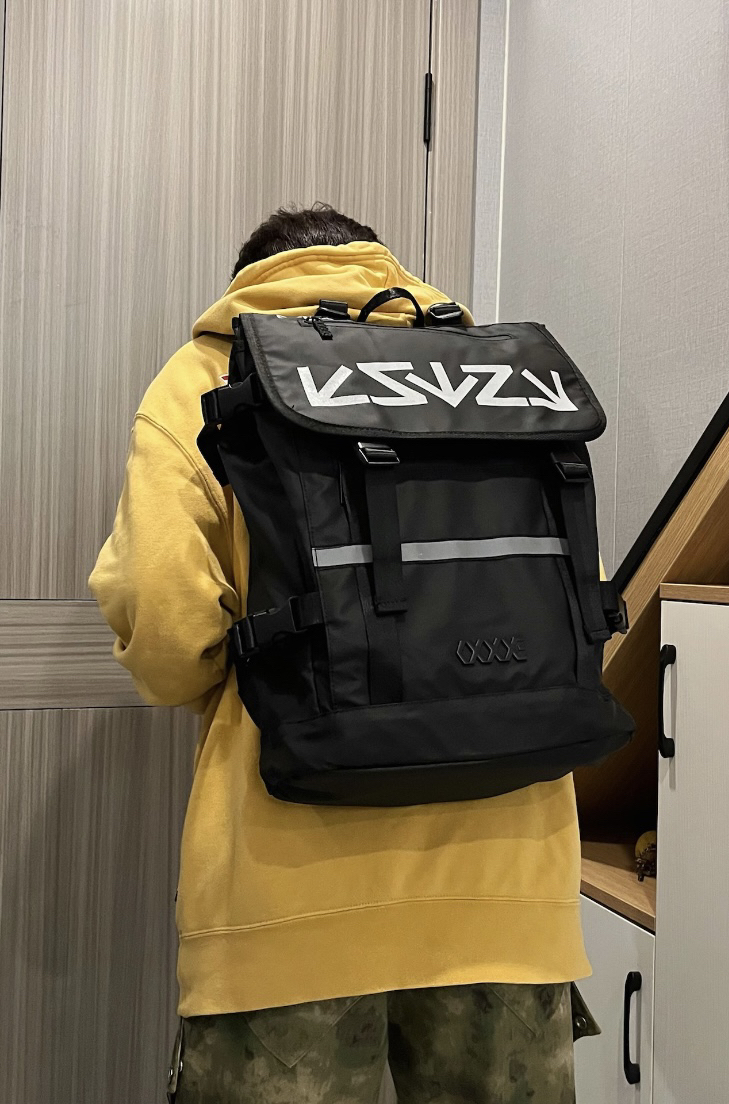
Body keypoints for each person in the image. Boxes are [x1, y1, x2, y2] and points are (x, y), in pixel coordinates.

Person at [90, 204, 598, 1104]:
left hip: (291, 896)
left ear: (252, 282)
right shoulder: (495, 373)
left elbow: (165, 632)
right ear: (376, 264)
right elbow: (569, 604)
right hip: (513, 888)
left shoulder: (204, 376)